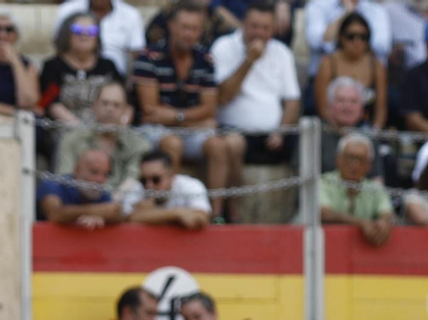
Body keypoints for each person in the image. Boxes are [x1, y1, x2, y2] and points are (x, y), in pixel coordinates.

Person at [212, 2, 303, 213]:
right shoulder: (223, 47)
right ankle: (232, 210)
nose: (259, 33)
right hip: (232, 129)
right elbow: (223, 97)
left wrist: (281, 131)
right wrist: (249, 61)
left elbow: (292, 101)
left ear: (273, 29)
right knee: (233, 144)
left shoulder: (282, 53)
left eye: (265, 28)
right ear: (243, 23)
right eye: (254, 26)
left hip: (272, 136)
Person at [135, 2, 231, 198]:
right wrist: (193, 119)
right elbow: (150, 111)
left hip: (187, 130)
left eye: (194, 29)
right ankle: (168, 207)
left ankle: (216, 216)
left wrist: (175, 116)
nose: (189, 34)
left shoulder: (206, 60)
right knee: (173, 143)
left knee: (219, 146)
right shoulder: (148, 57)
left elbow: (209, 109)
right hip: (154, 130)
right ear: (171, 26)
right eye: (185, 27)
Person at [55, 82, 151, 187]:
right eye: (105, 103)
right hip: (79, 200)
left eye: (116, 105)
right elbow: (65, 180)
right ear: (94, 106)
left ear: (126, 110)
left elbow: (131, 183)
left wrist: (113, 201)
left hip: (120, 201)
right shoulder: (72, 139)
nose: (110, 109)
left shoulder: (138, 144)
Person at [41, 11, 123, 127]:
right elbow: (50, 103)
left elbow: (125, 101)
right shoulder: (53, 66)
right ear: (67, 34)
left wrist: (120, 124)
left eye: (91, 31)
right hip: (65, 127)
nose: (84, 35)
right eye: (77, 30)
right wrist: (80, 129)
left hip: (106, 127)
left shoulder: (108, 66)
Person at [312, 12, 387, 130]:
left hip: (366, 129)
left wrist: (375, 132)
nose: (357, 42)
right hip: (332, 129)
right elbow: (322, 106)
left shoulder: (376, 65)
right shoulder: (328, 63)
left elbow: (381, 108)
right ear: (341, 37)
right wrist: (337, 131)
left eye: (363, 37)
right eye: (351, 36)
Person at [320, 133, 396, 246]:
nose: (354, 164)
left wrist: (384, 223)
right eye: (350, 158)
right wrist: (362, 223)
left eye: (360, 159)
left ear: (369, 165)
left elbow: (387, 212)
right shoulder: (323, 182)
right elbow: (324, 213)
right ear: (338, 160)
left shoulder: (374, 187)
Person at [52, 0, 148, 77]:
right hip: (70, 73)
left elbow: (137, 55)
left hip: (114, 77)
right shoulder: (67, 9)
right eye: (78, 30)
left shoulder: (130, 14)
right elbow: (60, 47)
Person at [120, 151, 215, 228]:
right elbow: (130, 218)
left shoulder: (190, 185)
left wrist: (150, 214)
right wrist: (177, 214)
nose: (149, 185)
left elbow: (201, 218)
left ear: (171, 175)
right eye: (144, 180)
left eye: (156, 179)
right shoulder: (137, 187)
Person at [39, 148, 124, 228]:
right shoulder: (55, 184)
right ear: (77, 170)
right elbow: (54, 214)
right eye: (94, 172)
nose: (100, 179)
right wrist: (95, 211)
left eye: (105, 174)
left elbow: (116, 213)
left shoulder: (100, 193)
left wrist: (102, 218)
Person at [304, 0, 392, 77]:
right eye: (350, 37)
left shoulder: (376, 9)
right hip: (326, 78)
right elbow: (315, 41)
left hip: (367, 78)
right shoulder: (318, 5)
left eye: (361, 37)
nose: (356, 42)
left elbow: (382, 46)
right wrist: (347, 13)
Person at [320, 75, 375, 172]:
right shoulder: (315, 135)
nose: (347, 106)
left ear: (362, 109)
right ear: (329, 106)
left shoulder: (370, 137)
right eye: (341, 100)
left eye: (353, 101)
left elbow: (377, 179)